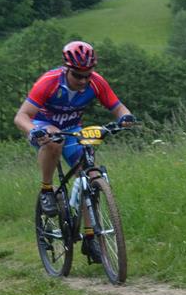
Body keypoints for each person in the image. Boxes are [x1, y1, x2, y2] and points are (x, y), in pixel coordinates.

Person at [14, 40, 135, 262]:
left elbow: (118, 107)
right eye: (78, 75)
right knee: (54, 140)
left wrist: (125, 117)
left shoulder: (96, 82)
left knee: (91, 175)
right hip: (43, 127)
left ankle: (90, 238)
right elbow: (21, 116)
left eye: (87, 75)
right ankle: (47, 190)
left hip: (73, 129)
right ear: (67, 69)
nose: (83, 80)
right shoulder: (49, 82)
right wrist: (33, 131)